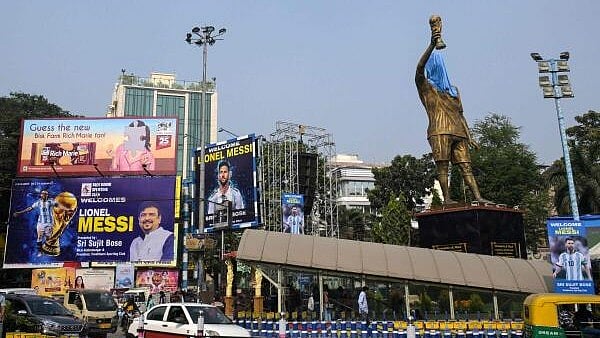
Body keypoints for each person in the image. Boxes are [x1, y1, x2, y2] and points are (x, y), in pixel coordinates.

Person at [415, 18, 490, 205]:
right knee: (443, 168)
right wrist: (431, 45)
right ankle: (447, 198)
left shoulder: (454, 91)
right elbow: (418, 69)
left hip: (459, 132)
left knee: (466, 167)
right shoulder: (427, 88)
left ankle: (478, 197)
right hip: (439, 131)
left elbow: (461, 114)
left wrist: (470, 135)